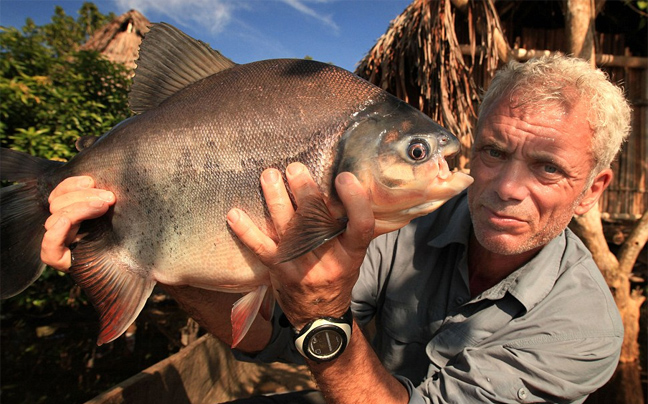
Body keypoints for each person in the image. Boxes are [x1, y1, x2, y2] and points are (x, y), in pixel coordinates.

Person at [41, 55, 631, 403]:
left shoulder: (580, 329)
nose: (506, 185)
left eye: (548, 168)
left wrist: (322, 312)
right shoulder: (396, 224)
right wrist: (131, 247)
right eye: (494, 152)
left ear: (591, 191)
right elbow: (267, 339)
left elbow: (317, 326)